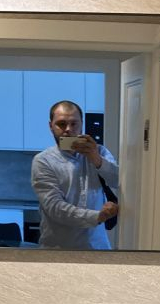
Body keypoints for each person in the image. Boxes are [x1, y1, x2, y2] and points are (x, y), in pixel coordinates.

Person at [30, 100, 120, 250]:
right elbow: (55, 208)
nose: (68, 129)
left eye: (74, 124)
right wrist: (98, 216)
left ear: (82, 124)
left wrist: (96, 159)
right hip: (58, 251)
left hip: (97, 248)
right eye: (61, 124)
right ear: (51, 126)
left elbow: (118, 181)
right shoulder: (43, 161)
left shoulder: (99, 152)